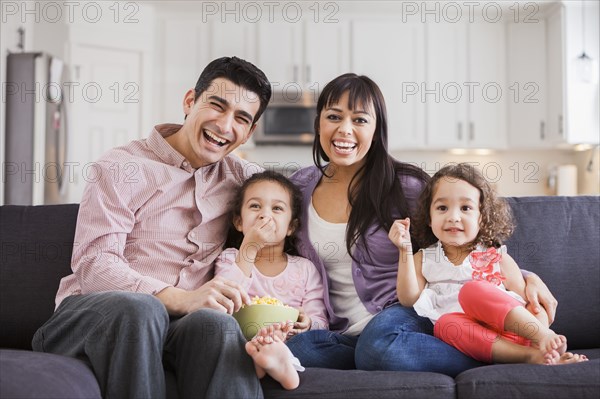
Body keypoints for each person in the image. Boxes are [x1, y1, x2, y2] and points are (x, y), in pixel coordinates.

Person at [285, 73, 561, 377]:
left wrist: (524, 275)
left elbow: (460, 233)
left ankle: (504, 355)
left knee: (379, 348)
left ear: (376, 130)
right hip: (340, 332)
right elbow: (277, 250)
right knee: (296, 349)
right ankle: (382, 354)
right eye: (333, 116)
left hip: (401, 314)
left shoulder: (406, 185)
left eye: (360, 120)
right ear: (319, 123)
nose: (345, 129)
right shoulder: (298, 188)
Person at [31, 56, 272, 399]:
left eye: (241, 119)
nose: (224, 125)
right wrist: (183, 299)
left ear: (248, 132)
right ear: (190, 101)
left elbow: (297, 201)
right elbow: (94, 265)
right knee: (142, 308)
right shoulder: (121, 167)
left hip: (177, 329)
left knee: (216, 324)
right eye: (217, 106)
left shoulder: (242, 180)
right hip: (93, 317)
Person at [388, 163, 588, 365]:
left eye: (466, 208)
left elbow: (532, 305)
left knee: (472, 291)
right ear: (430, 218)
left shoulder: (496, 257)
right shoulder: (423, 258)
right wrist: (404, 249)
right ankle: (532, 357)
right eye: (442, 208)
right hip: (484, 342)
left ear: (481, 218)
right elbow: (408, 299)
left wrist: (543, 334)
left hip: (516, 331)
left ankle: (541, 346)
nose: (453, 217)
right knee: (445, 324)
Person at [214, 170, 328, 389]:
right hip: (242, 340)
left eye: (277, 208)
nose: (265, 215)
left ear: (291, 227)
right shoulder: (231, 258)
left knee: (309, 344)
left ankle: (276, 361)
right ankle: (264, 362)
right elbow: (222, 300)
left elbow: (320, 321)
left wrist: (307, 323)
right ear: (239, 221)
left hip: (288, 340)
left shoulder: (304, 269)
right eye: (255, 206)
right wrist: (250, 247)